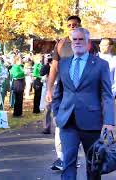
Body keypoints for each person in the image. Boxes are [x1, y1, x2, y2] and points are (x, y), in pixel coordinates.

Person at [52, 27, 115, 180]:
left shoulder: (100, 65)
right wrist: (56, 114)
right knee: (68, 163)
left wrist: (109, 122)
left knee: (93, 166)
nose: (78, 42)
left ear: (88, 43)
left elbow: (107, 95)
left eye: (81, 39)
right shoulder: (64, 64)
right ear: (71, 42)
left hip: (92, 123)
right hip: (67, 122)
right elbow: (58, 93)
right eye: (75, 39)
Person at [45, 15, 82, 170]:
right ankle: (62, 158)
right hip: (63, 89)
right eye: (69, 25)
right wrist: (49, 88)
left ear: (80, 25)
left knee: (78, 123)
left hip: (81, 90)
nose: (72, 26)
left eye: (75, 24)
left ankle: (72, 156)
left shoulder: (85, 42)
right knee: (60, 121)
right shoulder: (60, 44)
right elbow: (54, 68)